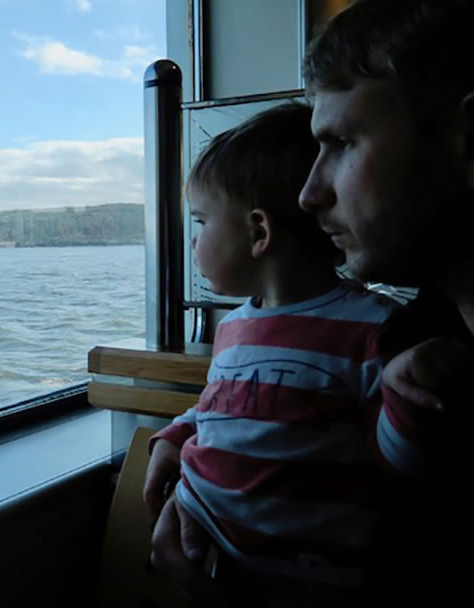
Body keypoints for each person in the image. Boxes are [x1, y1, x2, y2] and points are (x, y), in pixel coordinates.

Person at [150, 1, 474, 604]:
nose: (308, 193)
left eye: (343, 142)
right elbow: (230, 412)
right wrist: (192, 477)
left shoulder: (403, 351)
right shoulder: (415, 330)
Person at [143, 101, 427, 606]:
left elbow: (396, 465)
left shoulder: (372, 328)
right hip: (219, 560)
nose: (193, 241)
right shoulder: (234, 326)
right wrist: (179, 432)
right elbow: (225, 404)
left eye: (202, 221)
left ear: (259, 232)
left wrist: (408, 404)